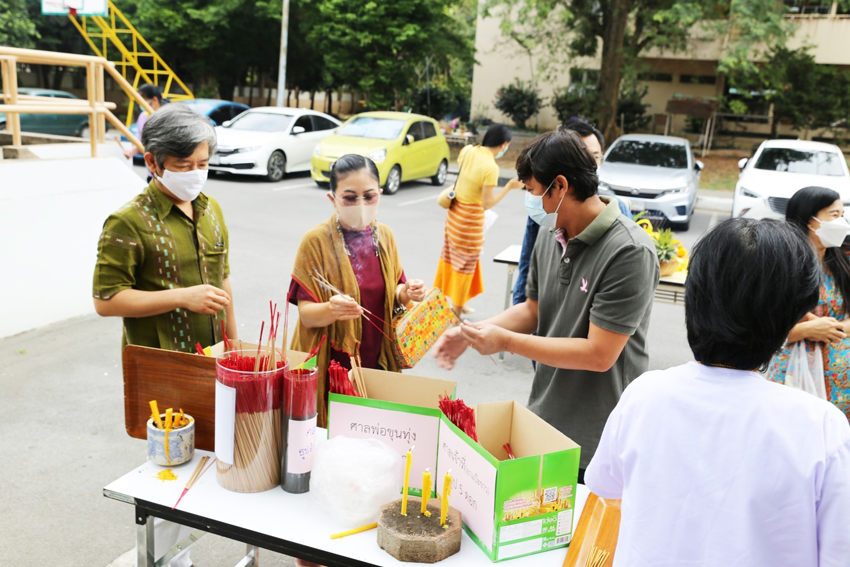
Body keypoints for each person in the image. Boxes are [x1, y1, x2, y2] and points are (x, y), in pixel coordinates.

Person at [585, 218, 850, 566]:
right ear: (790, 317)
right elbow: (838, 551)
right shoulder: (819, 426)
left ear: (695, 297)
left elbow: (605, 484)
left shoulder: (645, 394)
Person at [432, 129, 659, 481]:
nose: (530, 199)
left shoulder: (629, 251)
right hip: (545, 418)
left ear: (560, 186)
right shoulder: (549, 232)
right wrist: (470, 332)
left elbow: (599, 354)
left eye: (532, 190)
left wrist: (505, 342)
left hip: (600, 436)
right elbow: (533, 310)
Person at [93, 104, 236, 567]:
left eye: (202, 165)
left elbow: (223, 280)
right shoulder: (127, 221)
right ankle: (156, 557)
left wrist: (236, 343)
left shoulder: (211, 210)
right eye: (183, 166)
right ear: (153, 162)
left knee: (211, 462)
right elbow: (106, 300)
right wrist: (181, 296)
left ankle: (170, 553)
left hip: (213, 359)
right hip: (162, 369)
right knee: (169, 468)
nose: (196, 175)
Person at [289, 154, 427, 429]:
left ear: (380, 194)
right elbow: (307, 316)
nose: (361, 205)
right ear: (333, 199)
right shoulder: (316, 242)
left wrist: (407, 293)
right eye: (350, 198)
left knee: (373, 430)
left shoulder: (384, 236)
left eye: (369, 196)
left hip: (377, 357)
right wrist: (331, 309)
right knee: (331, 435)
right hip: (334, 363)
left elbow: (392, 292)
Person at [512, 119, 629, 305]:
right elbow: (527, 273)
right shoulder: (546, 217)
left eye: (595, 156)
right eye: (584, 154)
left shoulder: (628, 244)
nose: (590, 163)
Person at [766, 186, 850, 418]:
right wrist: (806, 330)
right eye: (835, 215)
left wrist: (834, 328)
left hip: (842, 389)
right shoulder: (783, 267)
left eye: (843, 214)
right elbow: (765, 330)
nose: (842, 221)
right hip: (794, 378)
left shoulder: (842, 262)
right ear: (810, 220)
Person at [433, 124, 524, 316]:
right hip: (470, 223)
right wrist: (508, 187)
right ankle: (456, 314)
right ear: (504, 144)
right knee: (465, 264)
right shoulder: (490, 167)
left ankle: (460, 301)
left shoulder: (468, 150)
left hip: (454, 214)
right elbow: (486, 203)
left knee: (452, 258)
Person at [124, 84, 165, 165]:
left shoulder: (167, 116)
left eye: (143, 101)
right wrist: (132, 151)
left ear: (154, 99)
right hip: (151, 169)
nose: (141, 105)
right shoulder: (143, 116)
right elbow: (142, 142)